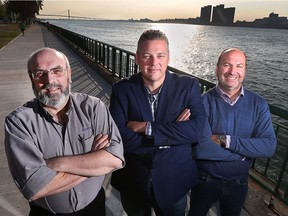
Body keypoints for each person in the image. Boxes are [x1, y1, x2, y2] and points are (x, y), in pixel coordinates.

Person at [4, 47, 125, 216]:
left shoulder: (93, 107)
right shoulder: (19, 122)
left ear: (69, 74)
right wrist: (94, 160)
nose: (50, 80)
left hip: (95, 207)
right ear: (31, 80)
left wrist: (58, 163)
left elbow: (115, 159)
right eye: (40, 73)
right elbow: (35, 187)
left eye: (57, 71)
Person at [109, 29, 206, 215]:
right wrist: (173, 136)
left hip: (174, 183)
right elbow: (118, 135)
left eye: (160, 55)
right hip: (134, 182)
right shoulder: (122, 89)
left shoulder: (188, 86)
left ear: (168, 57)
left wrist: (147, 127)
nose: (154, 63)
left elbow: (197, 131)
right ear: (137, 58)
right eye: (147, 56)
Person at [190, 48, 277, 216]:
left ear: (245, 71)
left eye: (239, 66)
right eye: (227, 65)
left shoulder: (258, 104)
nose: (232, 71)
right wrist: (244, 155)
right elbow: (202, 149)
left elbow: (268, 146)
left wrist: (226, 140)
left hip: (239, 183)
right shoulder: (202, 103)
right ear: (217, 68)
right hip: (205, 180)